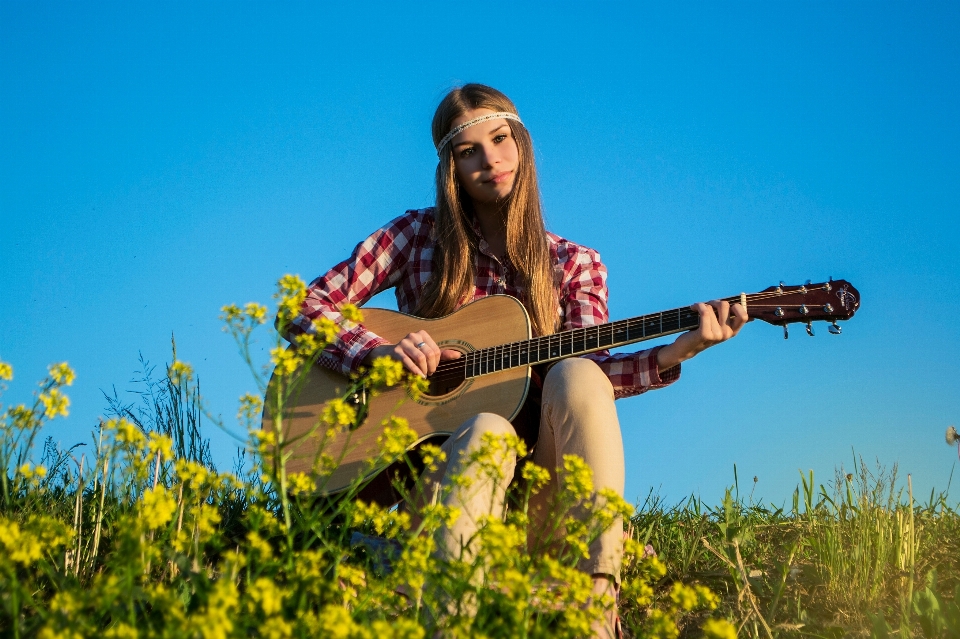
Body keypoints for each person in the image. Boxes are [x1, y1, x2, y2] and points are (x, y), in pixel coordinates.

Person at [286, 84, 747, 638]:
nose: (490, 160)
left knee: (576, 369)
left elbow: (590, 384)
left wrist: (678, 351)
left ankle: (596, 607)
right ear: (450, 168)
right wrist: (379, 355)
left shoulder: (574, 264)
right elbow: (303, 307)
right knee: (484, 428)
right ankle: (449, 620)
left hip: (541, 504)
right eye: (469, 151)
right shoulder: (414, 236)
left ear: (522, 144)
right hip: (444, 494)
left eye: (500, 139)